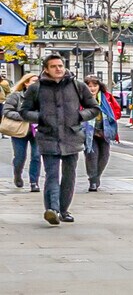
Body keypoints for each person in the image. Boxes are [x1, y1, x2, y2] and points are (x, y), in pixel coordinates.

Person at [21, 54, 94, 225]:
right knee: (52, 174)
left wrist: (79, 116)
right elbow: (24, 111)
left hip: (72, 136)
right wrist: (41, 117)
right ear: (46, 69)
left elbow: (93, 108)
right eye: (53, 66)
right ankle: (52, 210)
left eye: (60, 65)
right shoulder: (36, 88)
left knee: (69, 176)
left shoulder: (77, 85)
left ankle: (64, 209)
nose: (58, 69)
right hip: (48, 136)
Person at [81, 74, 120, 192]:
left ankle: (97, 177)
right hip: (89, 132)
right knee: (92, 155)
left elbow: (116, 111)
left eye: (94, 85)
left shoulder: (106, 97)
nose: (92, 88)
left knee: (104, 156)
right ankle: (93, 181)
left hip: (104, 132)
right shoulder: (81, 98)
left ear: (99, 86)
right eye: (89, 86)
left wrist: (109, 119)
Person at [5, 70, 42, 191]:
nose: (37, 84)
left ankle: (34, 182)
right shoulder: (16, 96)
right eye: (34, 81)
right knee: (20, 157)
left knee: (36, 156)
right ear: (26, 83)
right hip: (19, 131)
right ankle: (17, 174)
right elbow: (7, 111)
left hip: (37, 130)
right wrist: (24, 116)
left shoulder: (42, 96)